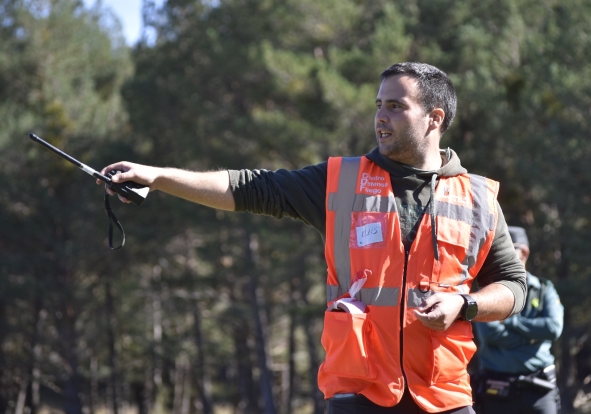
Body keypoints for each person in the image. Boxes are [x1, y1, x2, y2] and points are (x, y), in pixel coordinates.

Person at [100, 62, 527, 414]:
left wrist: (465, 304)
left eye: (396, 106)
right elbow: (249, 187)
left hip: (444, 394)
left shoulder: (478, 198)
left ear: (435, 119)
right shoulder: (339, 181)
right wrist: (158, 178)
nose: (381, 116)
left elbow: (514, 287)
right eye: (379, 105)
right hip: (358, 391)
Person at [474, 226, 564, 414]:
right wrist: (533, 337)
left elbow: (553, 328)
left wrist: (510, 322)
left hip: (539, 391)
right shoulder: (488, 292)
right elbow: (489, 333)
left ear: (524, 253)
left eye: (507, 249)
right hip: (496, 392)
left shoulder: (544, 289)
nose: (499, 255)